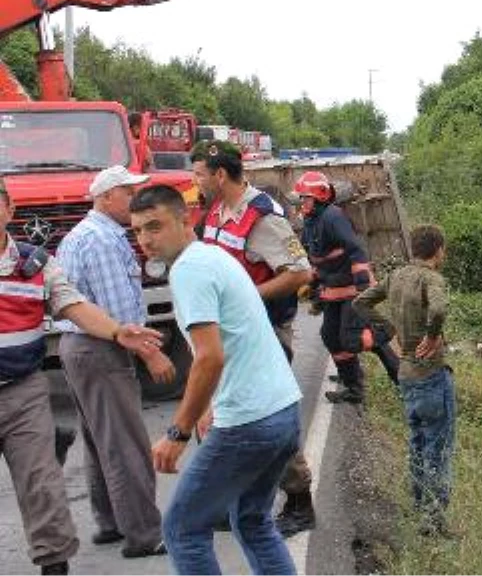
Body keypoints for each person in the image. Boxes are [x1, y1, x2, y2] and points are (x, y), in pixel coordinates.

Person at [131, 184, 301, 575]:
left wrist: (178, 432)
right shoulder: (213, 255)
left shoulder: (190, 269)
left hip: (250, 423)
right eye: (138, 230)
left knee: (182, 529)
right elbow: (234, 339)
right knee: (253, 522)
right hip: (282, 410)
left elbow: (209, 357)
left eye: (155, 227)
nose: (146, 240)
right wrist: (210, 405)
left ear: (185, 219)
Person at [0, 177, 163, 576]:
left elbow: (71, 303)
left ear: (9, 209)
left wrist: (115, 330)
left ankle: (54, 564)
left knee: (43, 486)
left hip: (23, 390)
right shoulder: (93, 238)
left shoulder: (35, 262)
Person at [189, 140, 317, 536]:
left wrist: (247, 297)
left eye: (198, 175)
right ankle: (226, 502)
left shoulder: (263, 218)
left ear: (220, 175)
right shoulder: (215, 211)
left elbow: (300, 273)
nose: (195, 183)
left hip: (262, 335)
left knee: (266, 419)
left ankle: (299, 500)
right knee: (222, 416)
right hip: (225, 332)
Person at [56, 166, 176, 559]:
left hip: (78, 346)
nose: (134, 200)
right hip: (101, 346)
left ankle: (110, 521)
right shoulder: (103, 240)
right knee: (125, 443)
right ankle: (144, 534)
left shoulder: (84, 234)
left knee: (99, 438)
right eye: (128, 192)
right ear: (107, 197)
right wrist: (151, 350)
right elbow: (118, 309)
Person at [352, 224, 456, 537]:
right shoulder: (431, 278)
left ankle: (418, 504)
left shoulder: (396, 276)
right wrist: (433, 335)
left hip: (406, 375)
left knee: (418, 442)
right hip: (431, 375)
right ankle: (433, 522)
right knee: (437, 449)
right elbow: (438, 307)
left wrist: (391, 330)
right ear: (438, 250)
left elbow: (360, 302)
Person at [294, 170, 400, 405]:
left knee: (351, 338)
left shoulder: (333, 217)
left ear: (320, 196)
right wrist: (312, 285)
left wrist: (363, 283)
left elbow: (355, 249)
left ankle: (384, 339)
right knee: (331, 337)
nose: (302, 202)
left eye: (305, 197)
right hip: (334, 291)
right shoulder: (310, 222)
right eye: (300, 198)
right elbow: (313, 257)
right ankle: (354, 387)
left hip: (354, 289)